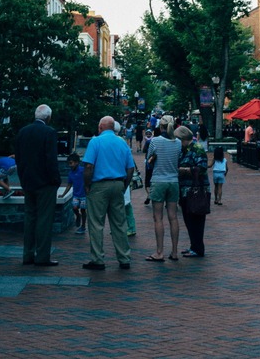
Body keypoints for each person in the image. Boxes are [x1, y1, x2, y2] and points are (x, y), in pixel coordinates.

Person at [80, 116, 136, 270]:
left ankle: (98, 259)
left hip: (99, 185)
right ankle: (124, 258)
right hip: (118, 183)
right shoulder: (122, 142)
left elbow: (89, 166)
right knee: (119, 223)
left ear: (100, 127)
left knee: (96, 223)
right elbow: (130, 168)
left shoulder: (95, 141)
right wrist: (124, 185)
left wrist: (86, 185)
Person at [13, 103, 61, 267]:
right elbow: (51, 159)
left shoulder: (23, 132)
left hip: (28, 182)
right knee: (44, 220)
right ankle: (42, 257)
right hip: (45, 183)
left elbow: (18, 158)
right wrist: (56, 180)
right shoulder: (49, 132)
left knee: (30, 218)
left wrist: (23, 178)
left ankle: (28, 254)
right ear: (48, 117)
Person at [142, 118, 184, 262]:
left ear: (161, 126)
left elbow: (148, 161)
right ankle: (174, 252)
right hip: (173, 181)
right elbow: (179, 159)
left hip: (159, 180)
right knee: (173, 217)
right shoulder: (178, 143)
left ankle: (159, 252)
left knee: (158, 218)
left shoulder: (155, 141)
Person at [177, 126, 211, 257]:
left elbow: (202, 167)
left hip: (196, 190)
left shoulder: (197, 149)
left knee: (196, 219)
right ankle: (193, 245)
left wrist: (184, 170)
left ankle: (198, 248)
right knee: (188, 218)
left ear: (184, 138)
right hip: (186, 190)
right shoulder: (184, 150)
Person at [65, 153, 87, 233]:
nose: (70, 165)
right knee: (74, 208)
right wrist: (63, 194)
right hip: (76, 194)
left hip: (84, 194)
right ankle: (78, 216)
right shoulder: (70, 173)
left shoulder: (82, 170)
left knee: (83, 210)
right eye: (69, 163)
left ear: (77, 162)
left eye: (71, 163)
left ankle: (83, 226)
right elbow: (69, 185)